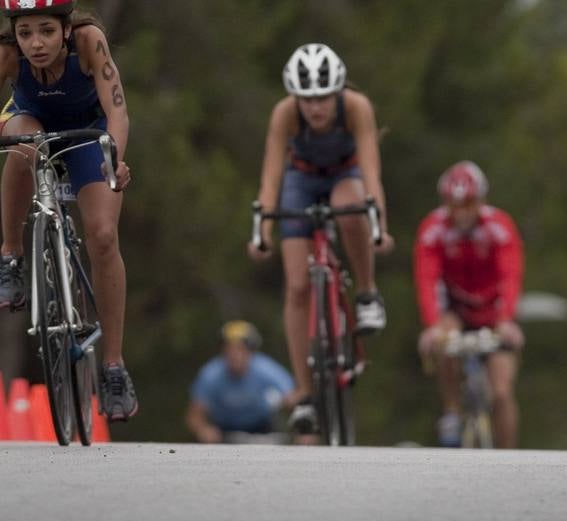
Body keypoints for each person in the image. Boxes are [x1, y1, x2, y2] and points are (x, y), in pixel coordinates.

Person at [0, 0, 137, 420]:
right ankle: (11, 254)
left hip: (87, 131)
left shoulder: (90, 41)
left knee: (103, 236)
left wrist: (114, 157)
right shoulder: (4, 56)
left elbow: (117, 110)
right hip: (28, 119)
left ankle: (113, 367)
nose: (36, 43)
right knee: (23, 145)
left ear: (67, 28)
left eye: (47, 31)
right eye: (26, 32)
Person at [247, 43, 393, 436]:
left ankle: (366, 294)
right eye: (307, 98)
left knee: (350, 207)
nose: (316, 107)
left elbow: (371, 174)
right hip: (302, 178)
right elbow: (271, 177)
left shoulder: (357, 108)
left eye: (324, 97)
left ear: (339, 92)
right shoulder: (285, 114)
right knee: (296, 286)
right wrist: (261, 231)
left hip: (346, 174)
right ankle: (306, 394)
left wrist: (379, 225)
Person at [414, 161, 525, 448]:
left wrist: (506, 319)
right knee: (444, 337)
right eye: (455, 205)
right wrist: (432, 325)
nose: (462, 213)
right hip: (458, 310)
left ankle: (508, 456)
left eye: (469, 205)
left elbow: (510, 275)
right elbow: (427, 279)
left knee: (501, 392)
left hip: (494, 312)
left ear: (481, 200)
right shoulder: (433, 228)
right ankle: (451, 409)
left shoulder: (499, 226)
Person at [186, 321, 295, 443]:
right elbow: (195, 415)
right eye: (229, 349)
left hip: (263, 429)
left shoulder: (267, 370)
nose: (235, 355)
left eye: (240, 349)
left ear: (251, 352)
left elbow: (292, 398)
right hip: (225, 431)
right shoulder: (211, 374)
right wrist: (203, 430)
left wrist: (304, 430)